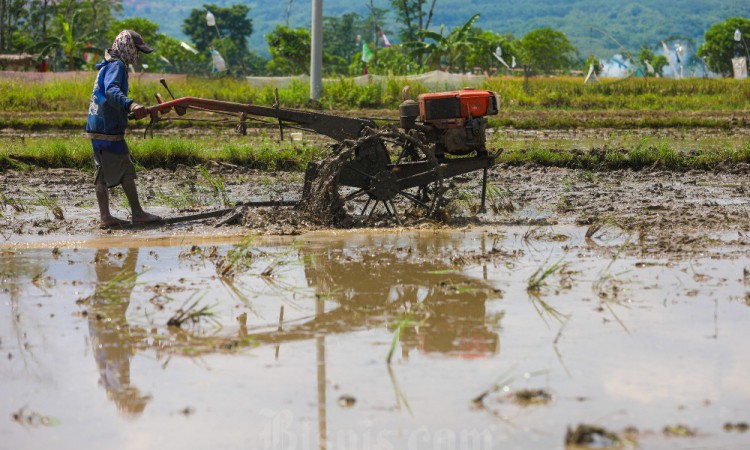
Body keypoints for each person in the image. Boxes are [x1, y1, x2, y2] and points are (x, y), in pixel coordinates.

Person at [86, 30, 161, 227]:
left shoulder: (108, 64)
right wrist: (131, 105)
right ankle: (137, 213)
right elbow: (111, 91)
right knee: (126, 170)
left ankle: (105, 217)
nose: (137, 56)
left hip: (97, 126)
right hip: (108, 129)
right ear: (127, 47)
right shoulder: (117, 66)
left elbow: (108, 97)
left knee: (101, 172)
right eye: (136, 51)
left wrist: (127, 110)